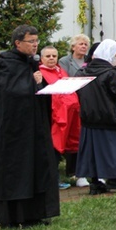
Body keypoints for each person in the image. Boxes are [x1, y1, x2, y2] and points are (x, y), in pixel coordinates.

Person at [0, 25, 60, 227]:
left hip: (32, 130)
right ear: (18, 43)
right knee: (15, 174)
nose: (35, 45)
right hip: (12, 134)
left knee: (36, 169)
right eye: (31, 41)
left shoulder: (29, 64)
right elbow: (11, 95)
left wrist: (41, 85)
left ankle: (34, 215)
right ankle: (12, 217)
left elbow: (35, 94)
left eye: (36, 41)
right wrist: (33, 83)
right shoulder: (7, 65)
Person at [74, 39, 116, 195]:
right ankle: (114, 179)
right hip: (109, 118)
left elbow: (78, 92)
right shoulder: (109, 72)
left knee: (92, 152)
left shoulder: (82, 71)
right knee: (113, 150)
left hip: (89, 118)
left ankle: (95, 183)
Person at [39, 45, 81, 189]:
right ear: (41, 58)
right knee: (53, 148)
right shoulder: (40, 73)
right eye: (48, 56)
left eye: (54, 56)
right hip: (52, 117)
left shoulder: (61, 71)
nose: (51, 59)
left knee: (64, 146)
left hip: (69, 114)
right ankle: (52, 181)